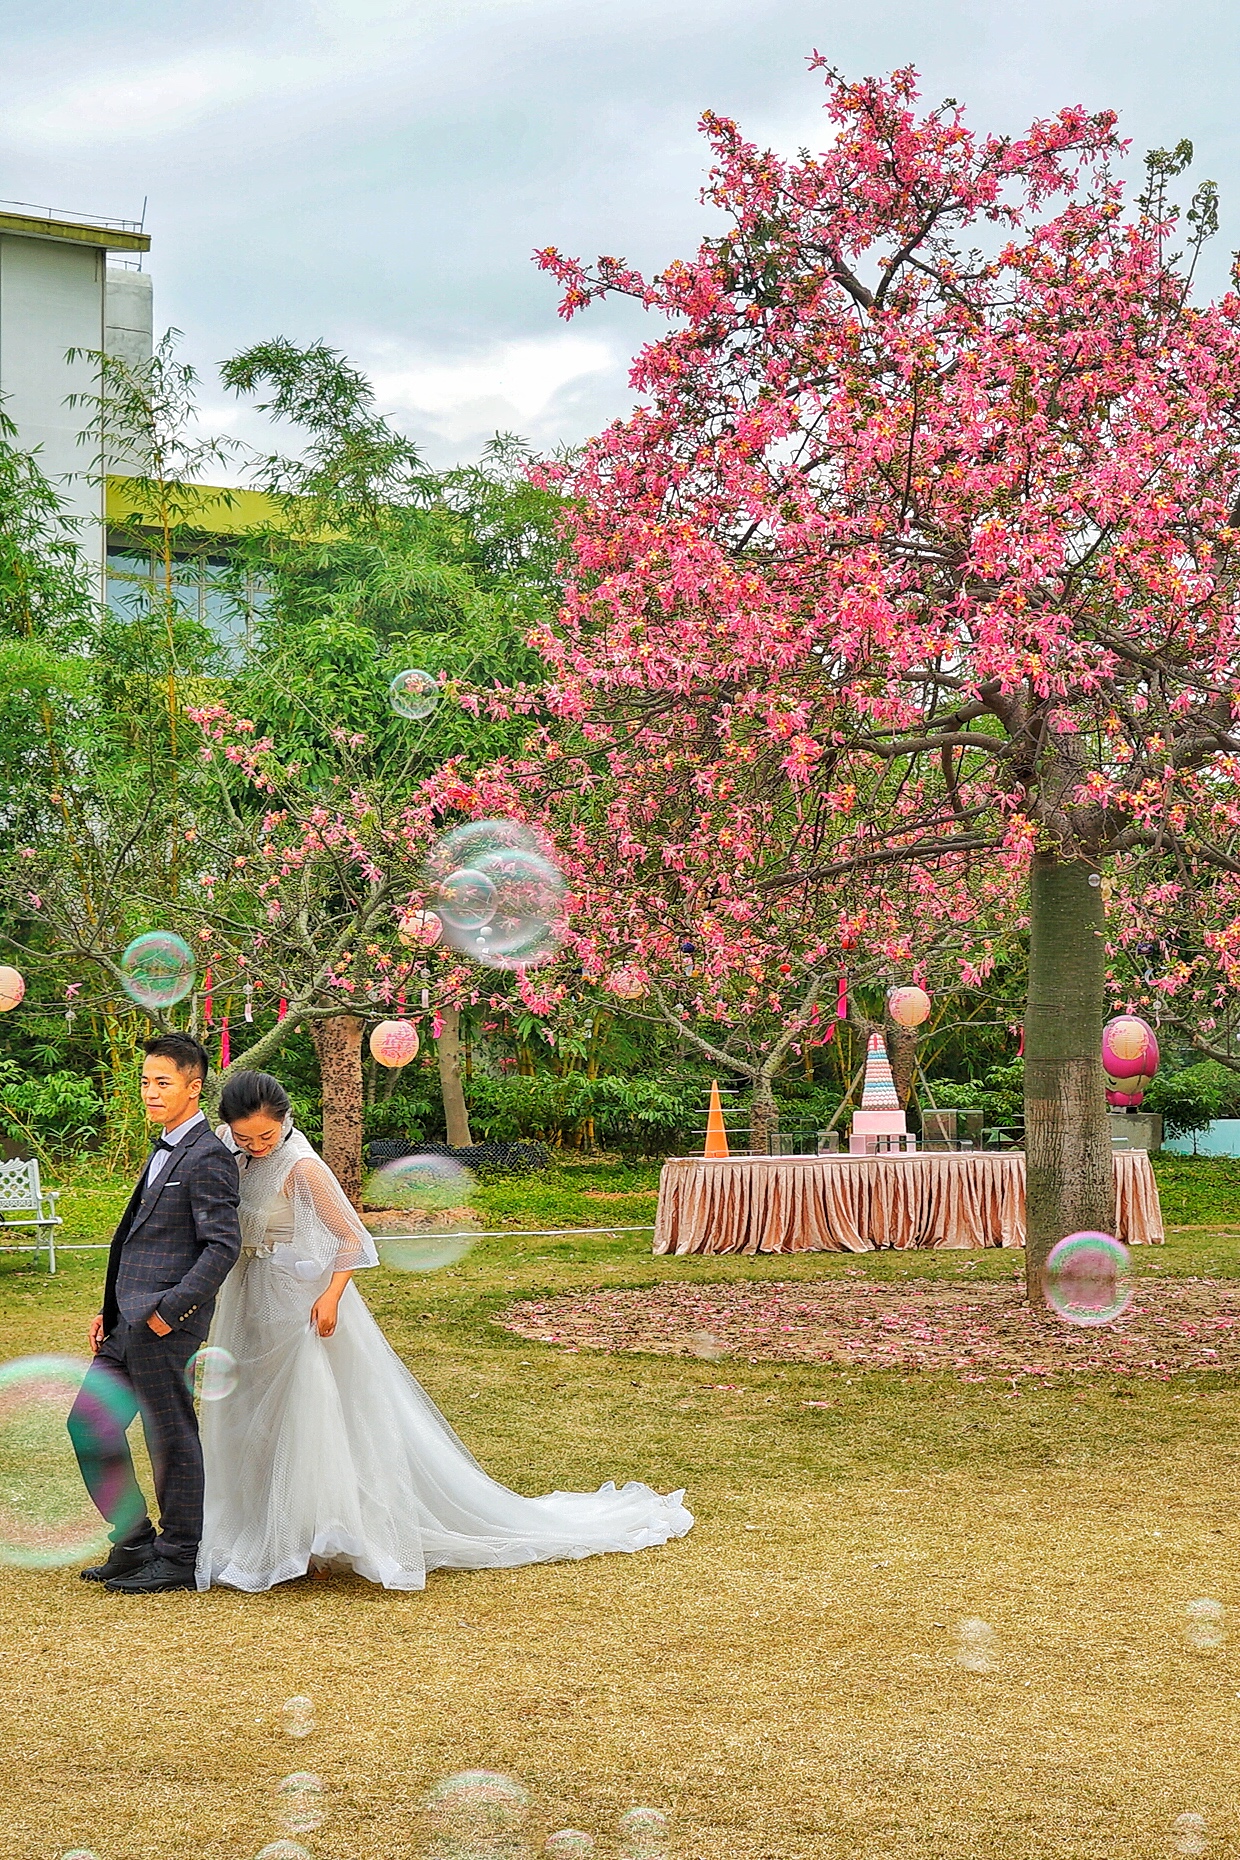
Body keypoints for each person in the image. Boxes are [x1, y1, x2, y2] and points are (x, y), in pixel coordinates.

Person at [198, 1069, 692, 1591]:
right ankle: (258, 1524)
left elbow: (352, 1239)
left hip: (296, 1300)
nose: (254, 1146)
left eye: (264, 1137)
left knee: (306, 1411)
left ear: (285, 1122)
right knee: (251, 1409)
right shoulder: (233, 1149)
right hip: (250, 1293)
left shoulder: (301, 1166)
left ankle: (313, 1533)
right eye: (244, 1137)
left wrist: (331, 1294)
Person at [68, 1033, 243, 1594]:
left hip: (165, 1325)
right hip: (126, 1322)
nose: (149, 1091)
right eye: (145, 1081)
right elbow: (136, 1241)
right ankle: (134, 1539)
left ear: (195, 1088)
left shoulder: (209, 1156)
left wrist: (170, 1313)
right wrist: (109, 1310)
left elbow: (222, 1246)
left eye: (162, 1082)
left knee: (170, 1437)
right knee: (88, 1423)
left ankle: (179, 1554)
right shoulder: (165, 1144)